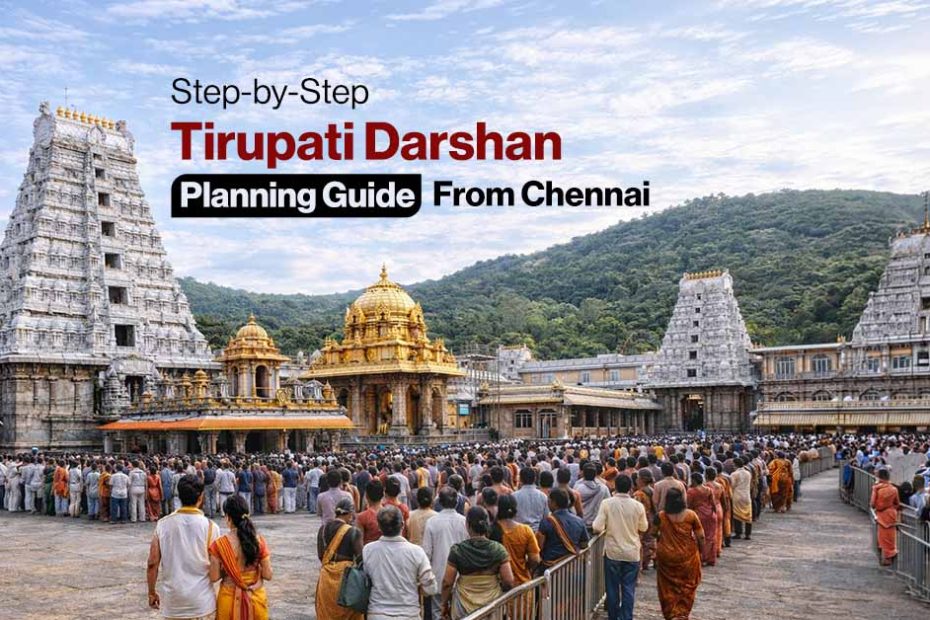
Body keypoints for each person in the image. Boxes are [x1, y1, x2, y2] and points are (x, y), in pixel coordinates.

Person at [148, 474, 220, 620]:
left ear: (179, 496)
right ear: (200, 497)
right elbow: (216, 568)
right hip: (201, 601)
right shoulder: (211, 527)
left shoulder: (163, 524)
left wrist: (151, 592)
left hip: (173, 601)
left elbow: (152, 563)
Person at [364, 505, 439, 620]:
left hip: (377, 614)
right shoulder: (416, 552)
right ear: (402, 525)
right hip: (409, 614)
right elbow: (431, 588)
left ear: (379, 527)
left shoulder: (368, 551)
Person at [441, 506, 514, 619]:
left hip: (463, 608)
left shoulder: (458, 551)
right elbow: (509, 581)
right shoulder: (498, 549)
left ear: (468, 525)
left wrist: (443, 604)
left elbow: (447, 582)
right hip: (492, 606)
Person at [209, 494, 273, 620]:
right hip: (255, 597)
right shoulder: (258, 541)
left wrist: (229, 570)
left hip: (228, 599)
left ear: (228, 517)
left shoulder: (219, 545)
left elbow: (214, 577)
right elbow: (268, 575)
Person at [593, 474, 647, 620]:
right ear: (630, 488)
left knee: (612, 588)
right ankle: (626, 617)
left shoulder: (607, 503)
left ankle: (614, 616)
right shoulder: (638, 506)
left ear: (615, 487)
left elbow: (597, 526)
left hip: (612, 552)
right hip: (632, 553)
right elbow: (644, 527)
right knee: (628, 588)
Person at [655, 488, 704, 620]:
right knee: (687, 585)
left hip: (666, 556)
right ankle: (682, 613)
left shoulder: (661, 516)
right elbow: (701, 536)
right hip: (687, 556)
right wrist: (701, 551)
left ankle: (671, 613)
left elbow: (654, 533)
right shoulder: (691, 515)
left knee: (667, 586)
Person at [423, 486, 469, 619]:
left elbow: (427, 553)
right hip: (460, 577)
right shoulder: (465, 522)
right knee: (458, 614)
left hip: (438, 576)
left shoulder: (432, 522)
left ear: (440, 502)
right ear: (456, 502)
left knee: (437, 613)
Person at [316, 498, 364, 620]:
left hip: (326, 577)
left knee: (327, 613)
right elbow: (360, 560)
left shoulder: (323, 529)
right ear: (349, 513)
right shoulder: (354, 532)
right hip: (346, 580)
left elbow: (321, 555)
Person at [536, 488, 589, 572]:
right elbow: (584, 544)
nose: (548, 503)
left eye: (549, 500)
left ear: (554, 503)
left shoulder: (547, 522)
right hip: (573, 567)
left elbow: (539, 547)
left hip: (550, 569)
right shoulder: (579, 521)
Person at [686, 472, 718, 566]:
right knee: (710, 537)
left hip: (698, 515)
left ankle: (701, 557)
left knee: (698, 537)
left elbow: (688, 505)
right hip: (710, 515)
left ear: (694, 480)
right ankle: (710, 558)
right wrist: (714, 514)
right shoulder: (708, 489)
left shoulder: (691, 491)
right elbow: (713, 503)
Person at [870, 468, 901, 566]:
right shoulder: (894, 489)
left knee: (882, 538)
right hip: (891, 515)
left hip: (881, 516)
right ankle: (890, 559)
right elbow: (897, 503)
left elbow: (872, 503)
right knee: (891, 538)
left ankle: (883, 558)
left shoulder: (876, 489)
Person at [632, 468, 658, 571]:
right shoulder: (652, 490)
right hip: (651, 518)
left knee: (641, 542)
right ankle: (650, 560)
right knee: (649, 541)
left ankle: (642, 563)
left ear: (641, 479)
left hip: (642, 520)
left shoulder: (639, 494)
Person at [512, 467, 549, 531]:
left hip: (519, 532)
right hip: (537, 532)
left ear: (520, 479)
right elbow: (546, 517)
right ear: (535, 479)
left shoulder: (514, 496)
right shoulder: (543, 496)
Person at [575, 463, 610, 529]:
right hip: (596, 525)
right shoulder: (603, 488)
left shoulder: (577, 487)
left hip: (580, 523)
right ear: (595, 474)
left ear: (583, 474)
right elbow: (608, 506)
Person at [730, 458, 753, 540]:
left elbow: (732, 485)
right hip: (746, 495)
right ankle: (748, 534)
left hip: (737, 495)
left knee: (737, 515)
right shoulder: (748, 473)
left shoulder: (734, 474)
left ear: (735, 465)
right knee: (748, 515)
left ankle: (738, 533)